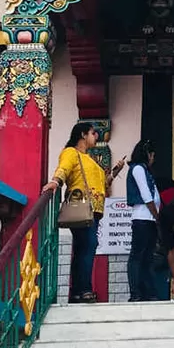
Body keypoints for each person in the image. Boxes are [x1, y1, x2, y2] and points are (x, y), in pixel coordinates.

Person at [44, 122, 125, 304]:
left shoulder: (89, 159)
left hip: (94, 209)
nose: (96, 136)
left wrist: (115, 172)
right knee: (88, 245)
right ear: (82, 134)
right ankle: (84, 289)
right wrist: (56, 182)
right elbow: (64, 168)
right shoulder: (71, 153)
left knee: (83, 249)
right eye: (92, 133)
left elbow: (103, 183)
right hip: (81, 206)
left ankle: (77, 292)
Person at [127, 139, 161, 303]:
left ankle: (148, 292)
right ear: (147, 154)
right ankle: (136, 293)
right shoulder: (138, 169)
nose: (153, 159)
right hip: (142, 218)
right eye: (152, 155)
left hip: (148, 219)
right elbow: (147, 196)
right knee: (137, 257)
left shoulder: (146, 170)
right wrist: (156, 216)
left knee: (147, 257)